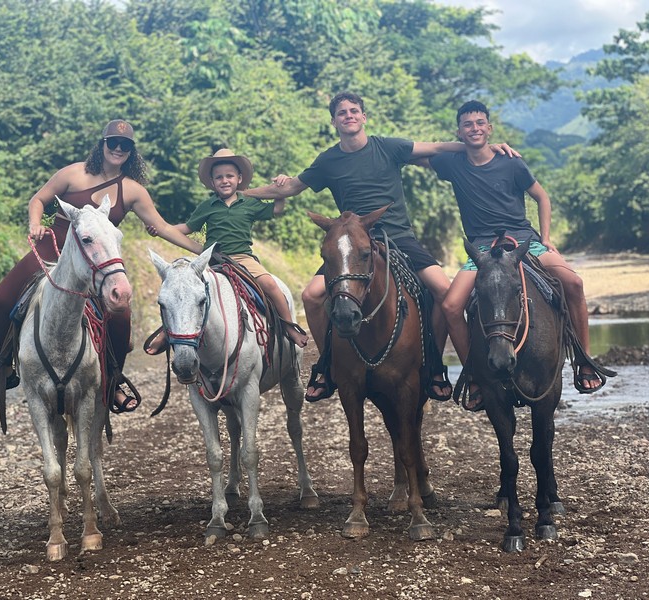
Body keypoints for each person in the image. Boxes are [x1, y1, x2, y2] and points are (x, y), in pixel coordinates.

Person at [243, 91, 517, 402]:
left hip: (400, 237)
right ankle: (326, 365)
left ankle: (438, 365)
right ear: (333, 121)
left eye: (354, 110)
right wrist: (243, 191)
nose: (348, 115)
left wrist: (483, 147)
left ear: (363, 117)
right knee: (311, 295)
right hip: (354, 243)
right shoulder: (328, 160)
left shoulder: (387, 146)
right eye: (342, 112)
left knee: (444, 292)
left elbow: (439, 147)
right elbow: (291, 186)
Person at [0, 119, 202, 411]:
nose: (118, 149)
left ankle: (113, 379)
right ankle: (4, 367)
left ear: (132, 152)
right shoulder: (73, 173)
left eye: (125, 145)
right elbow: (38, 199)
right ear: (103, 144)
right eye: (113, 143)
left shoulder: (132, 190)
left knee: (121, 315)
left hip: (97, 262)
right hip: (52, 247)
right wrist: (34, 224)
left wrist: (202, 250)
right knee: (1, 300)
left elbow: (162, 227)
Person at [425, 100, 607, 410]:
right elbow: (417, 154)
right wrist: (461, 146)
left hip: (523, 241)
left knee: (573, 284)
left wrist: (546, 238)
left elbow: (541, 196)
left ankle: (584, 360)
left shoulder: (511, 163)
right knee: (452, 306)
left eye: (480, 124)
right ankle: (474, 374)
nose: (475, 129)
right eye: (468, 125)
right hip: (482, 249)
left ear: (489, 127)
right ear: (459, 130)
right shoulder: (452, 164)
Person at [143, 148, 309, 352]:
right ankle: (167, 333)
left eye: (229, 176)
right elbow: (186, 228)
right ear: (212, 182)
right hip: (213, 260)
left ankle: (288, 326)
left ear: (239, 179)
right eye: (219, 177)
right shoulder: (208, 206)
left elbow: (276, 209)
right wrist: (160, 229)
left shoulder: (249, 203)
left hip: (242, 258)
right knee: (186, 292)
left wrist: (280, 190)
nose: (225, 180)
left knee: (271, 285)